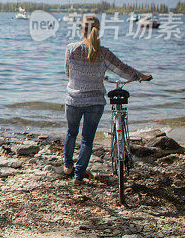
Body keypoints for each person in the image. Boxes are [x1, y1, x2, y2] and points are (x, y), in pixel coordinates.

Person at [64, 15, 151, 185]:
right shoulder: (104, 53)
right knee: (87, 140)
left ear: (81, 29)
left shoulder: (71, 49)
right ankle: (78, 176)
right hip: (95, 102)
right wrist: (140, 76)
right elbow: (122, 70)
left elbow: (68, 72)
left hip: (73, 100)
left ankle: (68, 166)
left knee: (71, 132)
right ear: (98, 29)